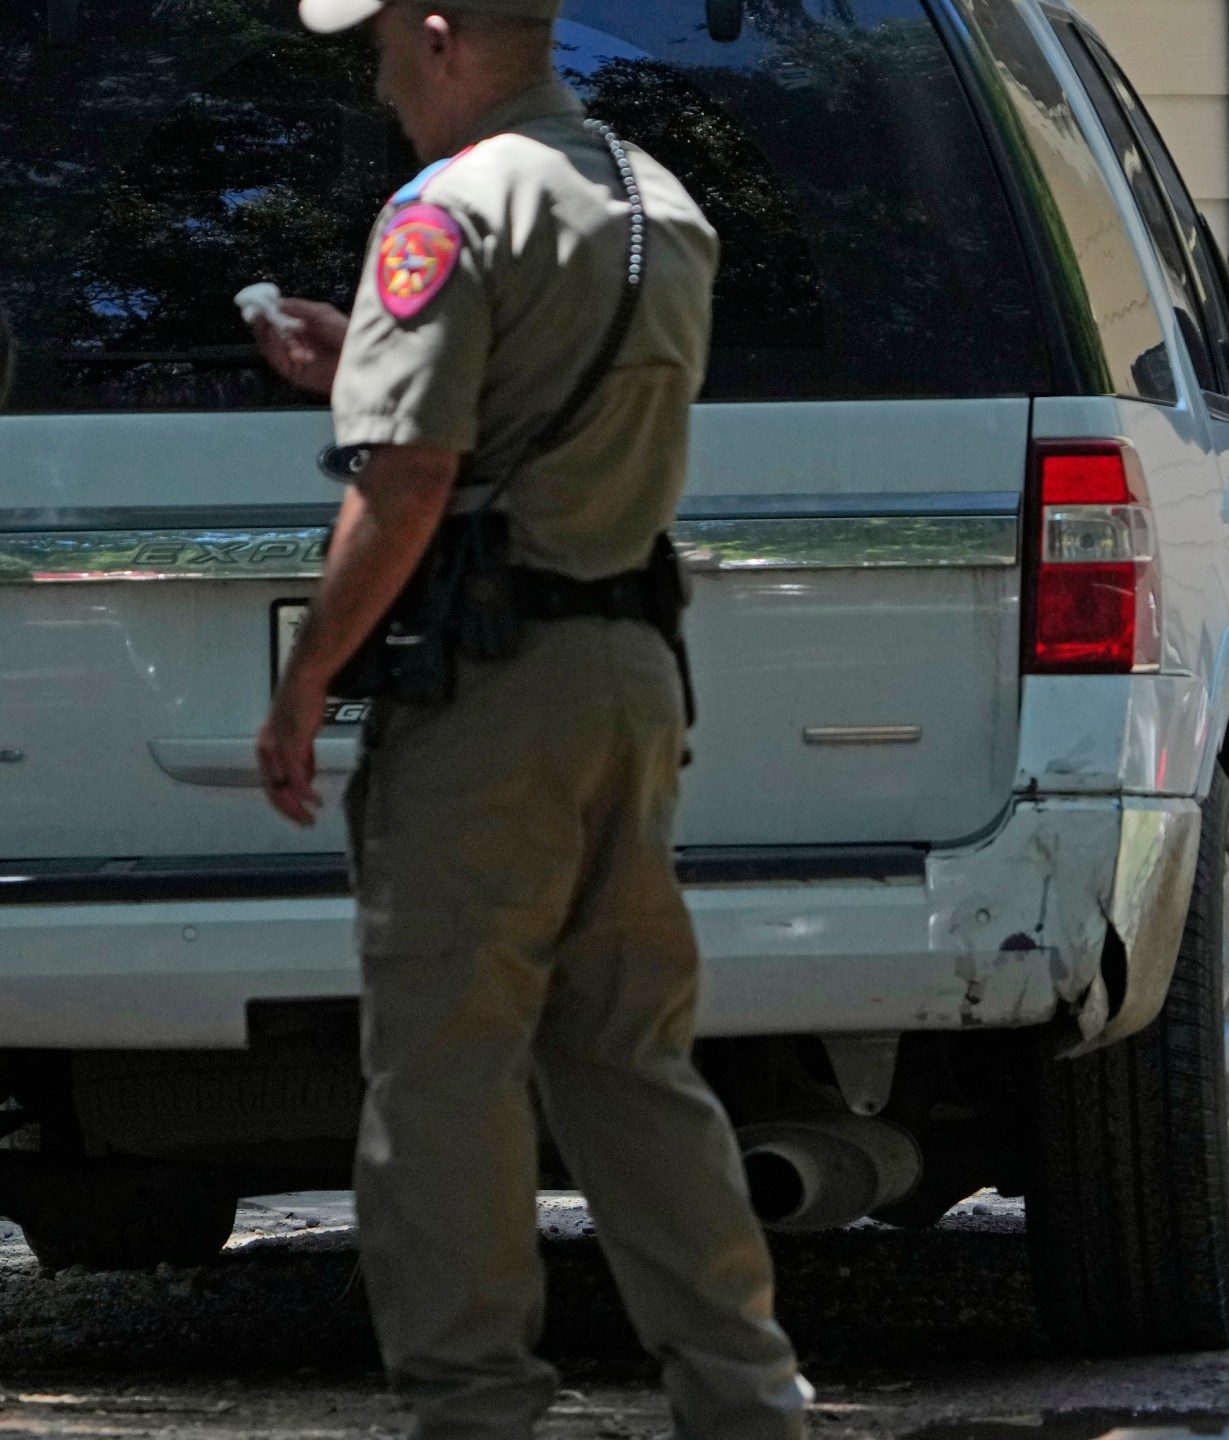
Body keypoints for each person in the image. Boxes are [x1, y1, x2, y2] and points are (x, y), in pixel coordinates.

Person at [248, 2, 810, 1435]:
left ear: (439, 37)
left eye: (377, 40)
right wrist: (359, 364)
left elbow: (411, 482)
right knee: (631, 1059)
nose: (374, 74)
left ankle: (474, 1409)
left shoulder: (446, 209)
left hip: (486, 696)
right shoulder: (655, 202)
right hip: (625, 677)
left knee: (444, 1076)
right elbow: (530, 408)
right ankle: (748, 1401)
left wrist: (308, 678)